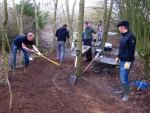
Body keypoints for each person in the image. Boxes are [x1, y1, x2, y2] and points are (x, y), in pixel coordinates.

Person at [115, 20, 136, 102]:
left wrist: (122, 58)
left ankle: (126, 94)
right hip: (122, 60)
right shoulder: (123, 36)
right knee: (122, 76)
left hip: (127, 62)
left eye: (119, 27)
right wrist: (118, 56)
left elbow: (130, 53)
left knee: (124, 78)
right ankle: (123, 90)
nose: (119, 29)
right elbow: (122, 49)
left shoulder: (131, 37)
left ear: (123, 27)